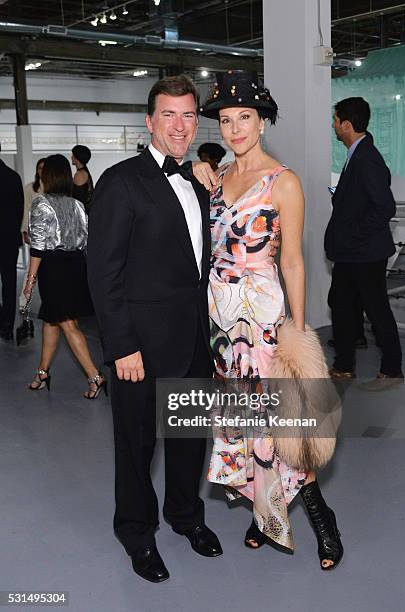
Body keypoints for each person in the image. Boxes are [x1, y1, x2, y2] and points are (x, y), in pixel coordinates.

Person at [196, 70, 343, 570]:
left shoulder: (285, 182)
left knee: (283, 423)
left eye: (245, 118)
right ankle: (264, 515)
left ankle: (322, 517)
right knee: (243, 422)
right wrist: (199, 171)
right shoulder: (217, 181)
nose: (235, 128)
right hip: (222, 323)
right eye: (227, 119)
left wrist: (297, 331)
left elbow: (294, 262)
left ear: (262, 123)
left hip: (261, 319)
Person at [86, 75, 222, 584]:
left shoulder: (198, 180)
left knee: (189, 438)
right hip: (138, 347)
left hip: (192, 341)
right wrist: (121, 345)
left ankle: (185, 517)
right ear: (149, 121)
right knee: (137, 445)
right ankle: (137, 533)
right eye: (169, 114)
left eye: (189, 114)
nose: (181, 125)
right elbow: (103, 273)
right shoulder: (121, 182)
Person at [325, 97, 403, 389]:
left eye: (336, 120)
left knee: (376, 309)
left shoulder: (367, 157)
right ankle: (344, 366)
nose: (333, 125)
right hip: (351, 252)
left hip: (364, 252)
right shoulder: (356, 154)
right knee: (341, 303)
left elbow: (385, 208)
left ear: (346, 124)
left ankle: (392, 369)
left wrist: (353, 233)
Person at [23, 154, 105, 399]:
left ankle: (95, 377)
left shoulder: (41, 203)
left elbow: (37, 246)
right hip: (77, 266)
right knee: (52, 321)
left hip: (54, 268)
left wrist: (29, 281)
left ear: (47, 176)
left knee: (67, 324)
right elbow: (87, 241)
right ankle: (42, 372)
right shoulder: (77, 204)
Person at [0, 147, 24, 340]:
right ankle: (7, 325)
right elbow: (19, 209)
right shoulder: (13, 177)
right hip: (8, 239)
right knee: (9, 283)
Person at [19, 158, 46, 311]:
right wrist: (25, 231)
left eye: (45, 168)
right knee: (31, 270)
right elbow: (26, 211)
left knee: (49, 271)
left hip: (52, 236)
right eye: (40, 167)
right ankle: (24, 302)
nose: (42, 170)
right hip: (35, 234)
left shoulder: (52, 187)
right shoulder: (30, 188)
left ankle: (50, 300)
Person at [71, 145, 94, 213]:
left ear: (77, 157)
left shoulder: (80, 174)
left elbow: (78, 199)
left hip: (81, 214)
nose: (71, 157)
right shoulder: (84, 172)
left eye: (73, 155)